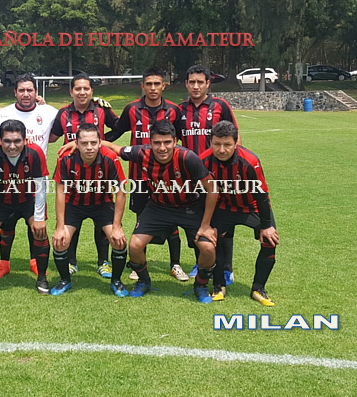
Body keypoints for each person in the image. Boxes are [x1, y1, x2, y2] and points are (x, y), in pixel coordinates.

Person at [101, 120, 218, 303]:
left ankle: (200, 285)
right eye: (157, 143)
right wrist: (80, 143)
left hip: (189, 207)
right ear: (150, 142)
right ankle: (144, 281)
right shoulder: (142, 153)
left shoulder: (188, 158)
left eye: (167, 142)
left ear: (175, 141)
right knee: (135, 246)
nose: (162, 148)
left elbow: (212, 188)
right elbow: (116, 148)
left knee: (208, 248)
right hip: (158, 206)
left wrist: (206, 225)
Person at [104, 67, 188, 282]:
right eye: (148, 84)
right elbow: (117, 131)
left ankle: (175, 264)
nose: (152, 88)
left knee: (172, 220)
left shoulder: (174, 110)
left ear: (163, 86)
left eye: (156, 84)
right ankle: (138, 264)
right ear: (142, 86)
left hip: (168, 177)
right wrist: (95, 141)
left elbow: (182, 140)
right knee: (142, 219)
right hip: (139, 177)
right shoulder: (132, 109)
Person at [49, 73, 120, 279]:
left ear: (92, 91)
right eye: (78, 89)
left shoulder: (102, 109)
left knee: (102, 218)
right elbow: (52, 137)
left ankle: (103, 262)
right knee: (73, 216)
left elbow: (119, 127)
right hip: (72, 171)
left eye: (86, 88)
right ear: (71, 91)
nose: (82, 92)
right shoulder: (63, 113)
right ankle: (71, 261)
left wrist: (103, 143)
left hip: (99, 171)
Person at [200, 121, 279, 305]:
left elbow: (261, 195)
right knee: (214, 240)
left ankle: (258, 288)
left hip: (252, 206)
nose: (221, 149)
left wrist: (266, 225)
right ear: (210, 142)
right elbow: (200, 193)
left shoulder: (250, 161)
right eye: (217, 144)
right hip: (224, 206)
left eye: (227, 144)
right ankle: (219, 285)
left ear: (236, 143)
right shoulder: (203, 160)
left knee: (270, 240)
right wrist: (205, 223)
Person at [0, 74, 58, 279]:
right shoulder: (5, 113)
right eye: (21, 90)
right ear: (15, 92)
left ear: (36, 92)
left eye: (30, 90)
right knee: (6, 223)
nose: (26, 94)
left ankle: (35, 261)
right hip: (6, 178)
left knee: (35, 223)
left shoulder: (49, 112)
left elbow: (61, 131)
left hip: (35, 178)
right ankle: (4, 264)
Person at [178, 65, 240, 284]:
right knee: (198, 220)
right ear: (186, 84)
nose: (196, 86)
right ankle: (201, 262)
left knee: (223, 222)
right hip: (192, 178)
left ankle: (226, 268)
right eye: (192, 82)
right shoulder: (179, 110)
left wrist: (232, 168)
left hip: (219, 176)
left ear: (207, 84)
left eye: (200, 82)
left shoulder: (220, 106)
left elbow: (235, 138)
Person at [51, 123, 128, 296]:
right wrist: (59, 227)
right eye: (84, 143)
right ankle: (65, 280)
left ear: (100, 142)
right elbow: (60, 192)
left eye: (93, 142)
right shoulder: (66, 158)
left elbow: (121, 192)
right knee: (60, 240)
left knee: (118, 240)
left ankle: (116, 281)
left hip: (102, 203)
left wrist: (117, 226)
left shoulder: (110, 158)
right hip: (74, 203)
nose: (89, 147)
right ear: (76, 144)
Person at [0, 119, 51, 295]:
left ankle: (42, 278)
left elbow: (40, 187)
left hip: (28, 199)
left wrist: (39, 218)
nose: (12, 146)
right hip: (0, 201)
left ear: (25, 139)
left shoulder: (35, 152)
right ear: (0, 140)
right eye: (7, 141)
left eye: (17, 141)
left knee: (40, 231)